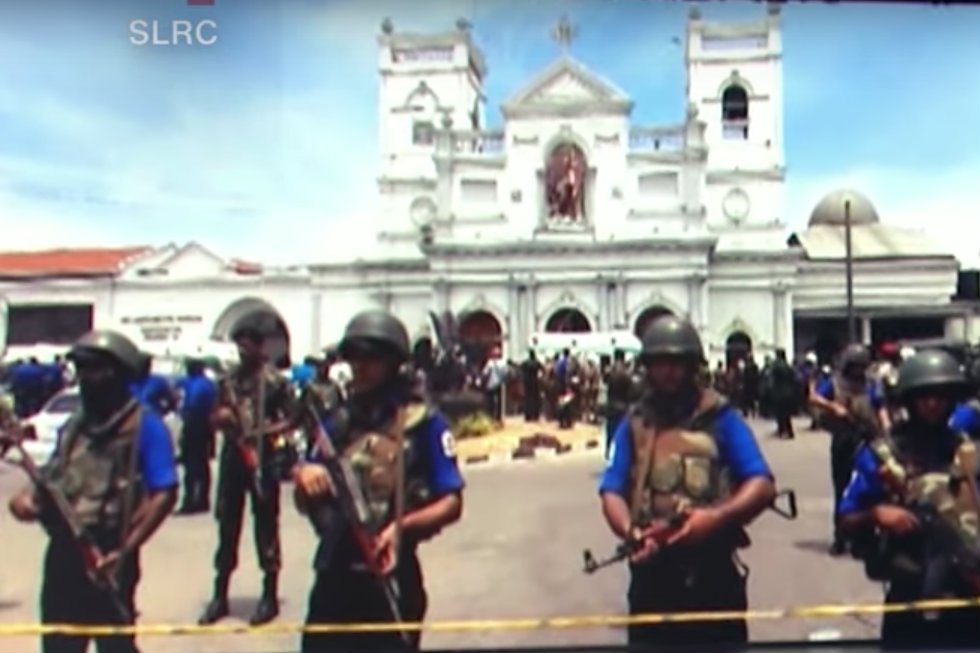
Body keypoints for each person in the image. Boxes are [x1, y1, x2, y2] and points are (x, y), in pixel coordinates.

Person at [598, 315, 776, 651]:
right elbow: (611, 490)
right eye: (660, 363)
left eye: (677, 363)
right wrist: (631, 533)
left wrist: (715, 518)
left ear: (692, 366)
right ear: (647, 368)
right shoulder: (636, 423)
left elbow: (761, 483)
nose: (669, 372)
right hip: (652, 576)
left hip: (713, 575)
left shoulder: (721, 418)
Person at [293, 309, 465, 653]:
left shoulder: (422, 421)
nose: (360, 366)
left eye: (371, 357)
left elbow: (451, 503)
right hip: (335, 570)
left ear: (393, 362)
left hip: (391, 573)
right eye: (354, 356)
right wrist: (304, 475)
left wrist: (401, 527)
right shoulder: (337, 420)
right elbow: (305, 495)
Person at [7, 330, 178, 653]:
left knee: (115, 645)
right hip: (63, 556)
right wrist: (26, 501)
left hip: (110, 556)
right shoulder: (75, 425)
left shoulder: (145, 426)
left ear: (117, 373)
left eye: (94, 370)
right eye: (82, 370)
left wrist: (125, 549)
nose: (86, 379)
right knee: (59, 645)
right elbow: (52, 476)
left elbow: (164, 494)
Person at [838, 349, 980, 649]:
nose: (932, 404)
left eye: (940, 395)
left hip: (969, 591)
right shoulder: (883, 455)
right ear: (909, 400)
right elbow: (846, 517)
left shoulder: (969, 453)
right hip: (910, 593)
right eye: (924, 396)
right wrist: (876, 514)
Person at [198, 320, 299, 626]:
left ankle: (269, 594)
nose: (243, 350)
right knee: (227, 525)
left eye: (248, 343)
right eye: (239, 344)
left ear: (260, 347)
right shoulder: (227, 381)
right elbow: (214, 415)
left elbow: (294, 417)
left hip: (262, 458)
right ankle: (220, 594)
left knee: (266, 526)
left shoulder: (274, 381)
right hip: (233, 458)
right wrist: (222, 418)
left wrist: (263, 432)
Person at [809, 343, 883, 555]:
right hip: (844, 439)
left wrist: (885, 430)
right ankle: (840, 537)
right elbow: (813, 397)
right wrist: (833, 407)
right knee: (842, 488)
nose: (859, 370)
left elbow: (880, 407)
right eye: (855, 366)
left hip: (869, 439)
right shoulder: (835, 382)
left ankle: (864, 537)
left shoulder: (870, 384)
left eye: (862, 366)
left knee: (869, 486)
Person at [175, 356, 218, 514]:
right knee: (202, 463)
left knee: (191, 464)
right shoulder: (208, 384)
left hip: (194, 423)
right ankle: (203, 499)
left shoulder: (193, 383)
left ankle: (191, 499)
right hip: (207, 424)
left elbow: (189, 403)